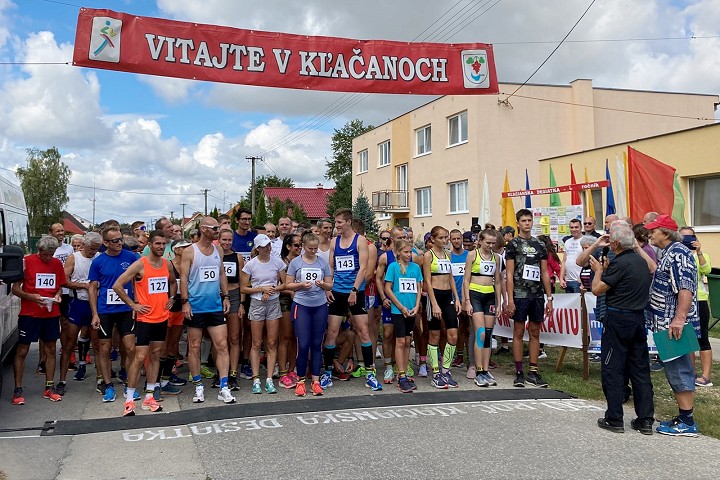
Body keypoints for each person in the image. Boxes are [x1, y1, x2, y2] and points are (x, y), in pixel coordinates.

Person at [589, 225, 654, 434]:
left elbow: (597, 290)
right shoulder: (641, 262)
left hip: (618, 319)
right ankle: (645, 419)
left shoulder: (620, 263)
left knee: (612, 368)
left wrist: (599, 271)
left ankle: (614, 417)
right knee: (640, 370)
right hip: (637, 319)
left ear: (615, 243)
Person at [113, 230, 178, 416]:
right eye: (157, 243)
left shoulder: (167, 264)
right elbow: (118, 285)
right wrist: (133, 304)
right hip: (144, 319)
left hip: (162, 317)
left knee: (156, 355)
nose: (160, 247)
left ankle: (149, 396)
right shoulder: (140, 264)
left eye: (163, 244)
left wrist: (172, 298)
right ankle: (129, 400)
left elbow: (173, 282)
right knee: (140, 357)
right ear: (150, 244)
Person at [645, 215, 700, 436]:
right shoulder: (669, 252)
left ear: (665, 233)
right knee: (675, 369)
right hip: (667, 323)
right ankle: (684, 417)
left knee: (679, 370)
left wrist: (679, 318)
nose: (650, 234)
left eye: (653, 230)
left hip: (673, 325)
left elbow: (686, 287)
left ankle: (687, 422)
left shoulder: (678, 253)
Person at [180, 216, 235, 404]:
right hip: (196, 306)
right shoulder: (189, 252)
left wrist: (226, 296)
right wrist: (185, 302)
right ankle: (198, 386)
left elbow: (221, 273)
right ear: (203, 229)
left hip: (215, 306)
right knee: (194, 347)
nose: (218, 231)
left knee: (222, 345)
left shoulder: (218, 249)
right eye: (214, 228)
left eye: (218, 228)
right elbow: (184, 278)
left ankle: (224, 386)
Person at [325, 208, 382, 391]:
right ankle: (327, 373)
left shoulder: (360, 241)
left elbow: (363, 268)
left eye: (340, 222)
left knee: (364, 331)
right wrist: (328, 287)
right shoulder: (334, 242)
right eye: (336, 223)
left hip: (355, 292)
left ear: (349, 222)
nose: (337, 226)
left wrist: (354, 290)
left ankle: (370, 373)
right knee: (332, 332)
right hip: (337, 292)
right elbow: (331, 268)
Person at [11, 236, 67, 405]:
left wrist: (57, 295)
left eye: (51, 254)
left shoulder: (57, 264)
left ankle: (49, 387)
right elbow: (15, 289)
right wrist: (31, 296)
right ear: (39, 250)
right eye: (44, 255)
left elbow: (59, 286)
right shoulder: (27, 261)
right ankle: (17, 389)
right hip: (30, 313)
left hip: (50, 313)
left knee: (50, 348)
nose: (48, 258)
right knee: (22, 350)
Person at [88, 226, 139, 403]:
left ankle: (129, 383)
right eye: (115, 241)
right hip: (105, 311)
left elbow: (137, 280)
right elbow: (92, 288)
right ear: (105, 243)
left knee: (131, 347)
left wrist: (136, 304)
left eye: (120, 240)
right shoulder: (98, 261)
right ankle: (108, 384)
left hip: (126, 309)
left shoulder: (130, 257)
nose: (119, 243)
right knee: (104, 349)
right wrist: (95, 313)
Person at [505, 209, 554, 388]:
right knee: (518, 332)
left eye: (529, 220)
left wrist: (549, 298)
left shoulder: (540, 244)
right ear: (518, 223)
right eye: (523, 221)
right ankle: (519, 371)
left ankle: (533, 371)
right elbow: (509, 274)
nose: (527, 223)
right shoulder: (513, 245)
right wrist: (510, 299)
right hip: (519, 294)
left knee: (535, 332)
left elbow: (544, 272)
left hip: (537, 295)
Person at [285, 232, 333, 396]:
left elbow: (330, 285)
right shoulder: (295, 262)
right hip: (301, 306)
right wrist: (300, 285)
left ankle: (316, 381)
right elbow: (288, 284)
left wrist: (322, 285)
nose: (313, 251)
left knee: (317, 344)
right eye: (310, 248)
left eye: (315, 248)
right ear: (304, 247)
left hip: (319, 306)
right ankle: (300, 380)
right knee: (303, 344)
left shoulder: (322, 262)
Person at [240, 234, 287, 394]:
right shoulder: (250, 265)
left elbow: (285, 283)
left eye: (269, 245)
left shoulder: (277, 261)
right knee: (256, 342)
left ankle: (268, 378)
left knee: (272, 342)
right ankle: (255, 378)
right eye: (265, 245)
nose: (268, 247)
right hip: (257, 303)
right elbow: (244, 288)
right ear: (258, 248)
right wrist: (262, 289)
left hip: (273, 302)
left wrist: (271, 289)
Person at [58, 233, 101, 392]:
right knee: (69, 343)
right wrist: (83, 286)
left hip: (94, 305)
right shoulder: (74, 258)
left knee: (97, 344)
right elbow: (63, 280)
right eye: (91, 249)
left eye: (96, 249)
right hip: (77, 303)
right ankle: (62, 380)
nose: (93, 252)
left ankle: (100, 379)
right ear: (84, 245)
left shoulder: (99, 257)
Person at [463, 229, 503, 387]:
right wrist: (467, 301)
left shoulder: (497, 258)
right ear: (480, 240)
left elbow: (498, 281)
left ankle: (485, 370)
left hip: (489, 296)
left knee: (487, 335)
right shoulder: (472, 255)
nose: (490, 246)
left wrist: (499, 303)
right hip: (475, 294)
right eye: (488, 243)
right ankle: (478, 370)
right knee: (479, 334)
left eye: (493, 243)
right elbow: (466, 280)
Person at [422, 225, 461, 389]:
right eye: (442, 238)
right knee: (435, 336)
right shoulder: (428, 256)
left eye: (446, 237)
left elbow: (450, 277)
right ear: (433, 239)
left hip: (448, 297)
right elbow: (427, 282)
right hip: (435, 296)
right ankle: (436, 372)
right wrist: (434, 304)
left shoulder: (448, 254)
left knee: (453, 334)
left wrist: (457, 298)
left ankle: (446, 370)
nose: (445, 241)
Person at [384, 239, 423, 393]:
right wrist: (400, 306)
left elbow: (419, 288)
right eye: (405, 252)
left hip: (412, 309)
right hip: (398, 310)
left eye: (410, 252)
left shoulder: (415, 267)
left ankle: (405, 371)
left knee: (408, 340)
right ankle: (400, 375)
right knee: (400, 341)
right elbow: (388, 288)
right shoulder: (393, 267)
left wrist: (417, 305)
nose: (409, 255)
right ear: (398, 253)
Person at [678, 227, 713, 387]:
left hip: (699, 300)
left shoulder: (701, 255)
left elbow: (706, 270)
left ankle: (706, 376)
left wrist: (698, 252)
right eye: (683, 237)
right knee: (688, 338)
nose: (686, 240)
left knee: (702, 338)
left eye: (689, 237)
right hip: (683, 300)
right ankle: (690, 372)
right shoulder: (678, 255)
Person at [218, 228, 245, 391]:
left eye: (229, 240)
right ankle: (221, 372)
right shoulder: (214, 256)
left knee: (234, 337)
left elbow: (243, 282)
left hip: (234, 295)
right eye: (224, 240)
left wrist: (242, 303)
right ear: (219, 240)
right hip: (217, 296)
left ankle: (233, 373)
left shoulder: (238, 257)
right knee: (219, 339)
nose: (227, 243)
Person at [277, 234, 301, 388]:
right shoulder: (280, 263)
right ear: (288, 247)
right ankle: (282, 372)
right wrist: (293, 291)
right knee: (285, 337)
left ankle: (292, 370)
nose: (299, 248)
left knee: (294, 337)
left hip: (300, 300)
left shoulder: (301, 262)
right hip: (284, 301)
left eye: (300, 245)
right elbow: (282, 285)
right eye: (296, 245)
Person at [449, 229, 470, 370]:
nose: (456, 241)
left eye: (458, 238)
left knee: (469, 328)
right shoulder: (448, 256)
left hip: (468, 297)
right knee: (457, 328)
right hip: (453, 297)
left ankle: (472, 358)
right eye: (454, 239)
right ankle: (459, 355)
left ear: (462, 239)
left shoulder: (469, 255)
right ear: (450, 240)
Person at [560, 219, 584, 293]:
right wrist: (561, 278)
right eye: (572, 227)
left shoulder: (585, 240)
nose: (574, 229)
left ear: (581, 227)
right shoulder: (567, 242)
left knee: (580, 304)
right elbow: (564, 261)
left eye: (576, 227)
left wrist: (583, 279)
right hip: (568, 280)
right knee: (570, 304)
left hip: (579, 280)